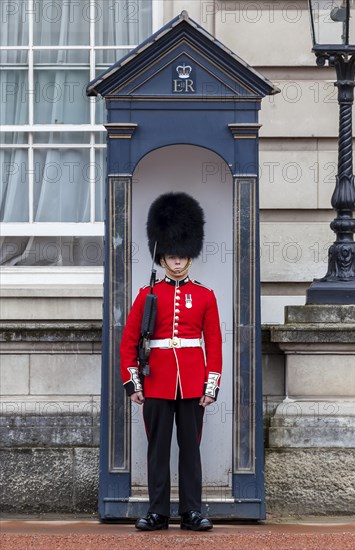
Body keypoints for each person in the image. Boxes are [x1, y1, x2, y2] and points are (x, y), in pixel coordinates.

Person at [120, 192, 222, 531]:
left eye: (182, 256)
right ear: (162, 256)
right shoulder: (147, 296)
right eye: (171, 256)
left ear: (189, 256)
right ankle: (158, 512)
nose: (177, 262)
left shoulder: (205, 295)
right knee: (157, 450)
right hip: (157, 381)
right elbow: (129, 341)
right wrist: (133, 382)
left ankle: (191, 511)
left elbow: (215, 345)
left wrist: (211, 385)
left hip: (192, 382)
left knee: (190, 451)